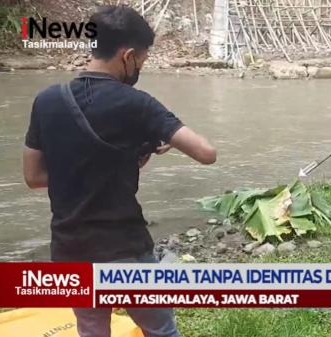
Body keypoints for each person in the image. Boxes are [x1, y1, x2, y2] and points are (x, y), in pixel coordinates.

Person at [22, 5, 216, 337]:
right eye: (142, 58)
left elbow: (34, 177)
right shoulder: (137, 103)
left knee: (92, 329)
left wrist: (98, 167)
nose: (141, 65)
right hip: (122, 247)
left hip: (69, 249)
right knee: (160, 329)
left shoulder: (47, 100)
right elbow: (206, 153)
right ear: (127, 55)